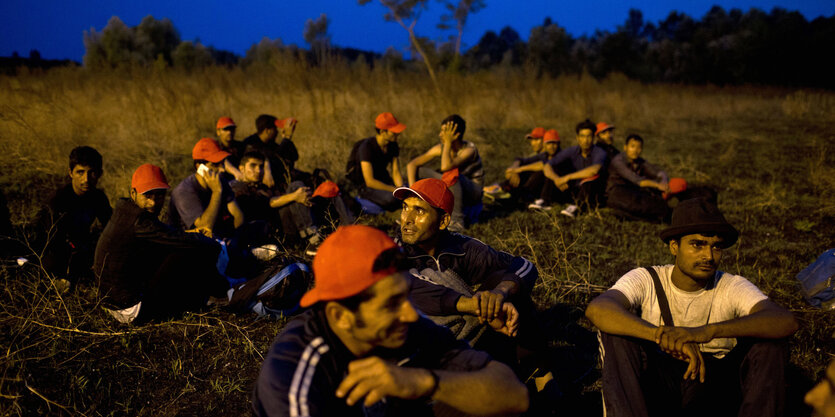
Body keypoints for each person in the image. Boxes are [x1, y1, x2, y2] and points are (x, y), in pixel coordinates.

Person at [252, 225, 529, 416]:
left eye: (405, 296)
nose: (410, 314)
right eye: (391, 304)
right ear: (341, 316)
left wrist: (423, 381)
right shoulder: (294, 373)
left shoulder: (407, 326)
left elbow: (514, 397)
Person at [585, 198, 798, 417]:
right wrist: (663, 337)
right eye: (697, 244)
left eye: (716, 247)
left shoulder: (730, 285)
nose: (708, 256)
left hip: (715, 384)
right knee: (616, 335)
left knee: (771, 342)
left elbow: (784, 321)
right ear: (674, 247)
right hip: (659, 384)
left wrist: (705, 332)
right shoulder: (648, 278)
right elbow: (599, 309)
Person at [392, 178, 556, 395]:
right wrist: (475, 305)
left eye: (419, 211)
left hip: (473, 336)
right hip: (424, 346)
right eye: (405, 208)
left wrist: (499, 293)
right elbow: (410, 289)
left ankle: (538, 372)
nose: (407, 219)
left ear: (443, 222)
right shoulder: (394, 251)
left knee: (505, 280)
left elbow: (525, 266)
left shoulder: (461, 248)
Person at [94, 164, 229, 324]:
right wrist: (211, 243)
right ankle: (221, 293)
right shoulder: (140, 221)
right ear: (133, 193)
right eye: (148, 196)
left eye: (159, 196)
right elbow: (181, 241)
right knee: (192, 250)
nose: (153, 202)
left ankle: (214, 292)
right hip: (130, 309)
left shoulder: (126, 213)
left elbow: (166, 235)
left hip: (112, 303)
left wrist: (192, 235)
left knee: (180, 247)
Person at [36, 146, 112, 291]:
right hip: (53, 251)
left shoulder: (99, 197)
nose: (86, 179)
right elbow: (50, 242)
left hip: (81, 247)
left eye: (92, 173)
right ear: (71, 173)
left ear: (100, 174)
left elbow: (111, 227)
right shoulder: (58, 201)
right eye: (80, 172)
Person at [405, 114, 484, 230]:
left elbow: (446, 166)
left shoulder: (469, 149)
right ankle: (417, 208)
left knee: (451, 175)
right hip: (454, 185)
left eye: (444, 131)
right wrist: (413, 190)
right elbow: (412, 165)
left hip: (473, 190)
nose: (440, 135)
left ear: (456, 135)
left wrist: (447, 143)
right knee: (420, 171)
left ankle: (457, 221)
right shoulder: (441, 148)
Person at [230, 151, 321, 247]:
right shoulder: (238, 187)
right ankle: (312, 237)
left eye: (261, 167)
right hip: (261, 233)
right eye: (253, 166)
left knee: (298, 188)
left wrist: (302, 196)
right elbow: (265, 203)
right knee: (295, 188)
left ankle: (314, 235)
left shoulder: (263, 187)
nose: (258, 170)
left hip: (281, 227)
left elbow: (280, 196)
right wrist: (295, 196)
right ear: (241, 169)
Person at [169, 138, 244, 239]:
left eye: (222, 163)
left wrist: (234, 240)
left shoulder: (220, 180)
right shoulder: (184, 191)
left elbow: (238, 216)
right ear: (199, 167)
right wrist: (217, 192)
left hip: (216, 237)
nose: (222, 169)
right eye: (215, 165)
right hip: (189, 242)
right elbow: (205, 228)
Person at [541, 119, 607, 216]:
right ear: (577, 138)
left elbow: (594, 170)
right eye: (582, 136)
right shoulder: (572, 150)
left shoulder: (600, 152)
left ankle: (576, 208)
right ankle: (544, 201)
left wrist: (568, 177)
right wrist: (557, 179)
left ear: (593, 138)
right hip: (574, 189)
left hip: (592, 192)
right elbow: (547, 165)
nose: (585, 140)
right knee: (555, 168)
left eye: (589, 136)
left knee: (591, 178)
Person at [345, 112, 405, 211]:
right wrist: (394, 190)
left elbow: (396, 171)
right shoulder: (366, 148)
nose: (397, 134)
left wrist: (401, 188)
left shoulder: (393, 145)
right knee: (391, 199)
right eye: (393, 132)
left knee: (411, 190)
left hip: (384, 181)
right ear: (382, 132)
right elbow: (370, 181)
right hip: (367, 186)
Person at [606, 134, 671, 222]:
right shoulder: (618, 161)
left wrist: (663, 181)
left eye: (639, 148)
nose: (635, 151)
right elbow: (638, 181)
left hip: (633, 190)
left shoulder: (639, 161)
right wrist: (657, 185)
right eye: (632, 146)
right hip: (617, 191)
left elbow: (659, 172)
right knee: (638, 205)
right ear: (625, 147)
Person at [242, 114, 299, 189]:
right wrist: (287, 138)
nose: (277, 132)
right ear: (267, 131)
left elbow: (294, 156)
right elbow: (274, 159)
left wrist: (286, 139)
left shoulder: (270, 143)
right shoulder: (251, 143)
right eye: (275, 129)